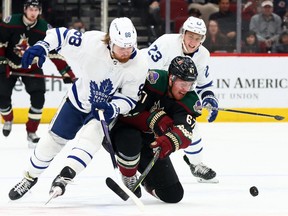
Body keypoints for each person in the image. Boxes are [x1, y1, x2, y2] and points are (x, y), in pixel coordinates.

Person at [8, 17, 148, 201]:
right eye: (121, 47)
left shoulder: (139, 64)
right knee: (51, 142)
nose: (126, 52)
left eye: (130, 47)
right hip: (77, 101)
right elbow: (60, 35)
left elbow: (130, 98)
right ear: (111, 42)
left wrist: (113, 108)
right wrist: (43, 46)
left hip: (102, 111)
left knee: (89, 142)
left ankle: (65, 177)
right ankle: (30, 177)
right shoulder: (91, 43)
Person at [110, 56, 202, 202]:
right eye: (183, 83)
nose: (186, 89)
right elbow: (126, 113)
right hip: (123, 130)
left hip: (150, 142)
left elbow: (185, 133)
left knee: (173, 194)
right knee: (131, 138)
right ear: (171, 78)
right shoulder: (153, 81)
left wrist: (169, 142)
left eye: (190, 84)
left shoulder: (190, 100)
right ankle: (128, 175)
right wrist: (154, 119)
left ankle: (146, 182)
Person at [142, 16, 219, 183]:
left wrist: (209, 98)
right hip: (154, 92)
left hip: (176, 95)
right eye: (190, 36)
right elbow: (146, 73)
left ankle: (196, 165)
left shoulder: (203, 54)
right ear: (182, 33)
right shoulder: (166, 43)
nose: (193, 42)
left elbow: (204, 85)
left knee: (190, 125)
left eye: (198, 38)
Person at [0, 0, 75, 148]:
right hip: (9, 66)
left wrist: (67, 73)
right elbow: (0, 43)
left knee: (38, 98)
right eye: (31, 9)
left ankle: (31, 132)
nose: (33, 13)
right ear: (25, 10)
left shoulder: (45, 29)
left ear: (40, 11)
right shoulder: (11, 22)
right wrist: (1, 62)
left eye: (36, 9)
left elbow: (53, 53)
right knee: (2, 97)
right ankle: (8, 119)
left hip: (31, 67)